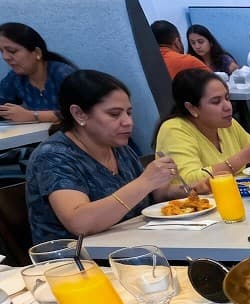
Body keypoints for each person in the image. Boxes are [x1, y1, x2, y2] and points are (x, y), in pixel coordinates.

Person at [26, 70, 186, 243]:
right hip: (77, 261)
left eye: (129, 113)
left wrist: (193, 189)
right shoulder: (53, 156)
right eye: (114, 114)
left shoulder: (116, 145)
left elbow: (150, 197)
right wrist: (146, 181)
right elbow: (80, 223)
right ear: (79, 114)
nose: (128, 122)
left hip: (133, 244)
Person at [155, 68, 250, 187]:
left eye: (227, 98)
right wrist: (241, 158)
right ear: (192, 108)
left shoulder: (226, 122)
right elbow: (189, 181)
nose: (227, 107)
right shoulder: (174, 129)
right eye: (216, 102)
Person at [0, 23, 75, 125]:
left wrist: (32, 116)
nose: (5, 57)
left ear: (37, 53)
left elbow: (82, 113)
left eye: (12, 51)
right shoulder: (15, 77)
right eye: (1, 51)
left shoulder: (63, 73)